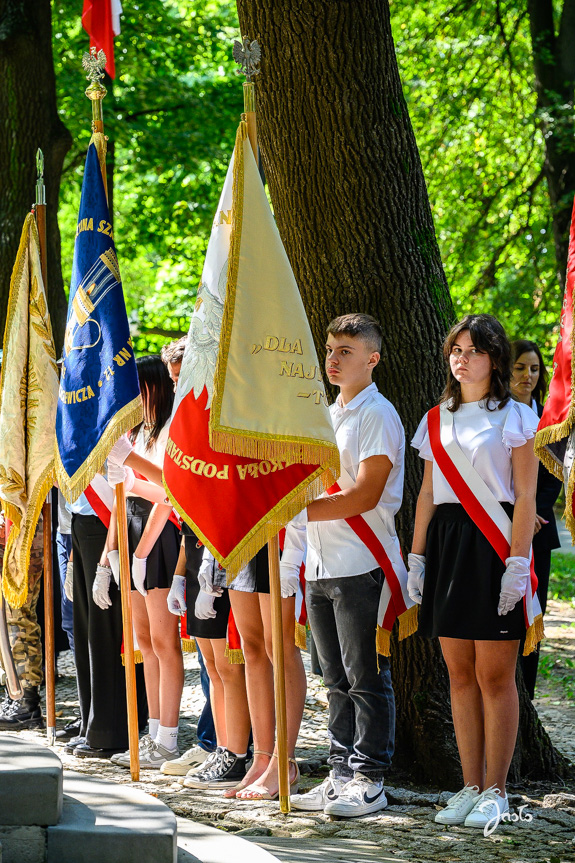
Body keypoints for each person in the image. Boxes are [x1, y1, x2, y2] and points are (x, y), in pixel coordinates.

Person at [409, 314, 540, 829]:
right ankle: (469, 785)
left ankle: (497, 791)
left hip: (495, 544)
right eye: (456, 349)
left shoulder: (515, 416)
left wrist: (518, 562)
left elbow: (526, 494)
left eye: (474, 350)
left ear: (495, 359)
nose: (462, 358)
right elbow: (425, 493)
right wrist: (416, 557)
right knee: (458, 674)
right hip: (447, 544)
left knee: (494, 676)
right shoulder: (435, 418)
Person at [285, 313, 402, 817]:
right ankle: (338, 773)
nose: (333, 359)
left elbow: (364, 494)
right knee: (332, 677)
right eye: (330, 350)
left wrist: (296, 510)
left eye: (345, 352)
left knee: (365, 675)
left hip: (361, 559)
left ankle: (370, 778)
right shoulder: (324, 414)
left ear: (371, 359)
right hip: (319, 560)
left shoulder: (378, 414)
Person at [107, 355, 183, 769]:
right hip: (135, 528)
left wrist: (140, 552)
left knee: (165, 642)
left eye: (137, 389)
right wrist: (113, 554)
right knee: (145, 643)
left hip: (160, 534)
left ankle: (168, 739)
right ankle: (153, 733)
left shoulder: (170, 426)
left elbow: (171, 495)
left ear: (153, 386)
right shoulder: (142, 430)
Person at [164, 540, 252, 789]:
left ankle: (236, 756)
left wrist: (216, 572)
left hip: (219, 560)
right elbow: (186, 528)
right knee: (213, 669)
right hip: (196, 561)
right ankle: (222, 749)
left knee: (229, 669)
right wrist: (179, 576)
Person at [510, 339, 562, 698]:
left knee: (532, 612)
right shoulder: (493, 413)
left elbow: (555, 474)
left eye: (534, 368)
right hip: (496, 526)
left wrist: (536, 514)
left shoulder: (551, 420)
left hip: (538, 530)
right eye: (520, 368)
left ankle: (525, 693)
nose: (528, 375)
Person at [0, 520, 44, 730]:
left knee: (19, 617)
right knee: (5, 623)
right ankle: (13, 691)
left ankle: (26, 702)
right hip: (10, 531)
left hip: (23, 529)